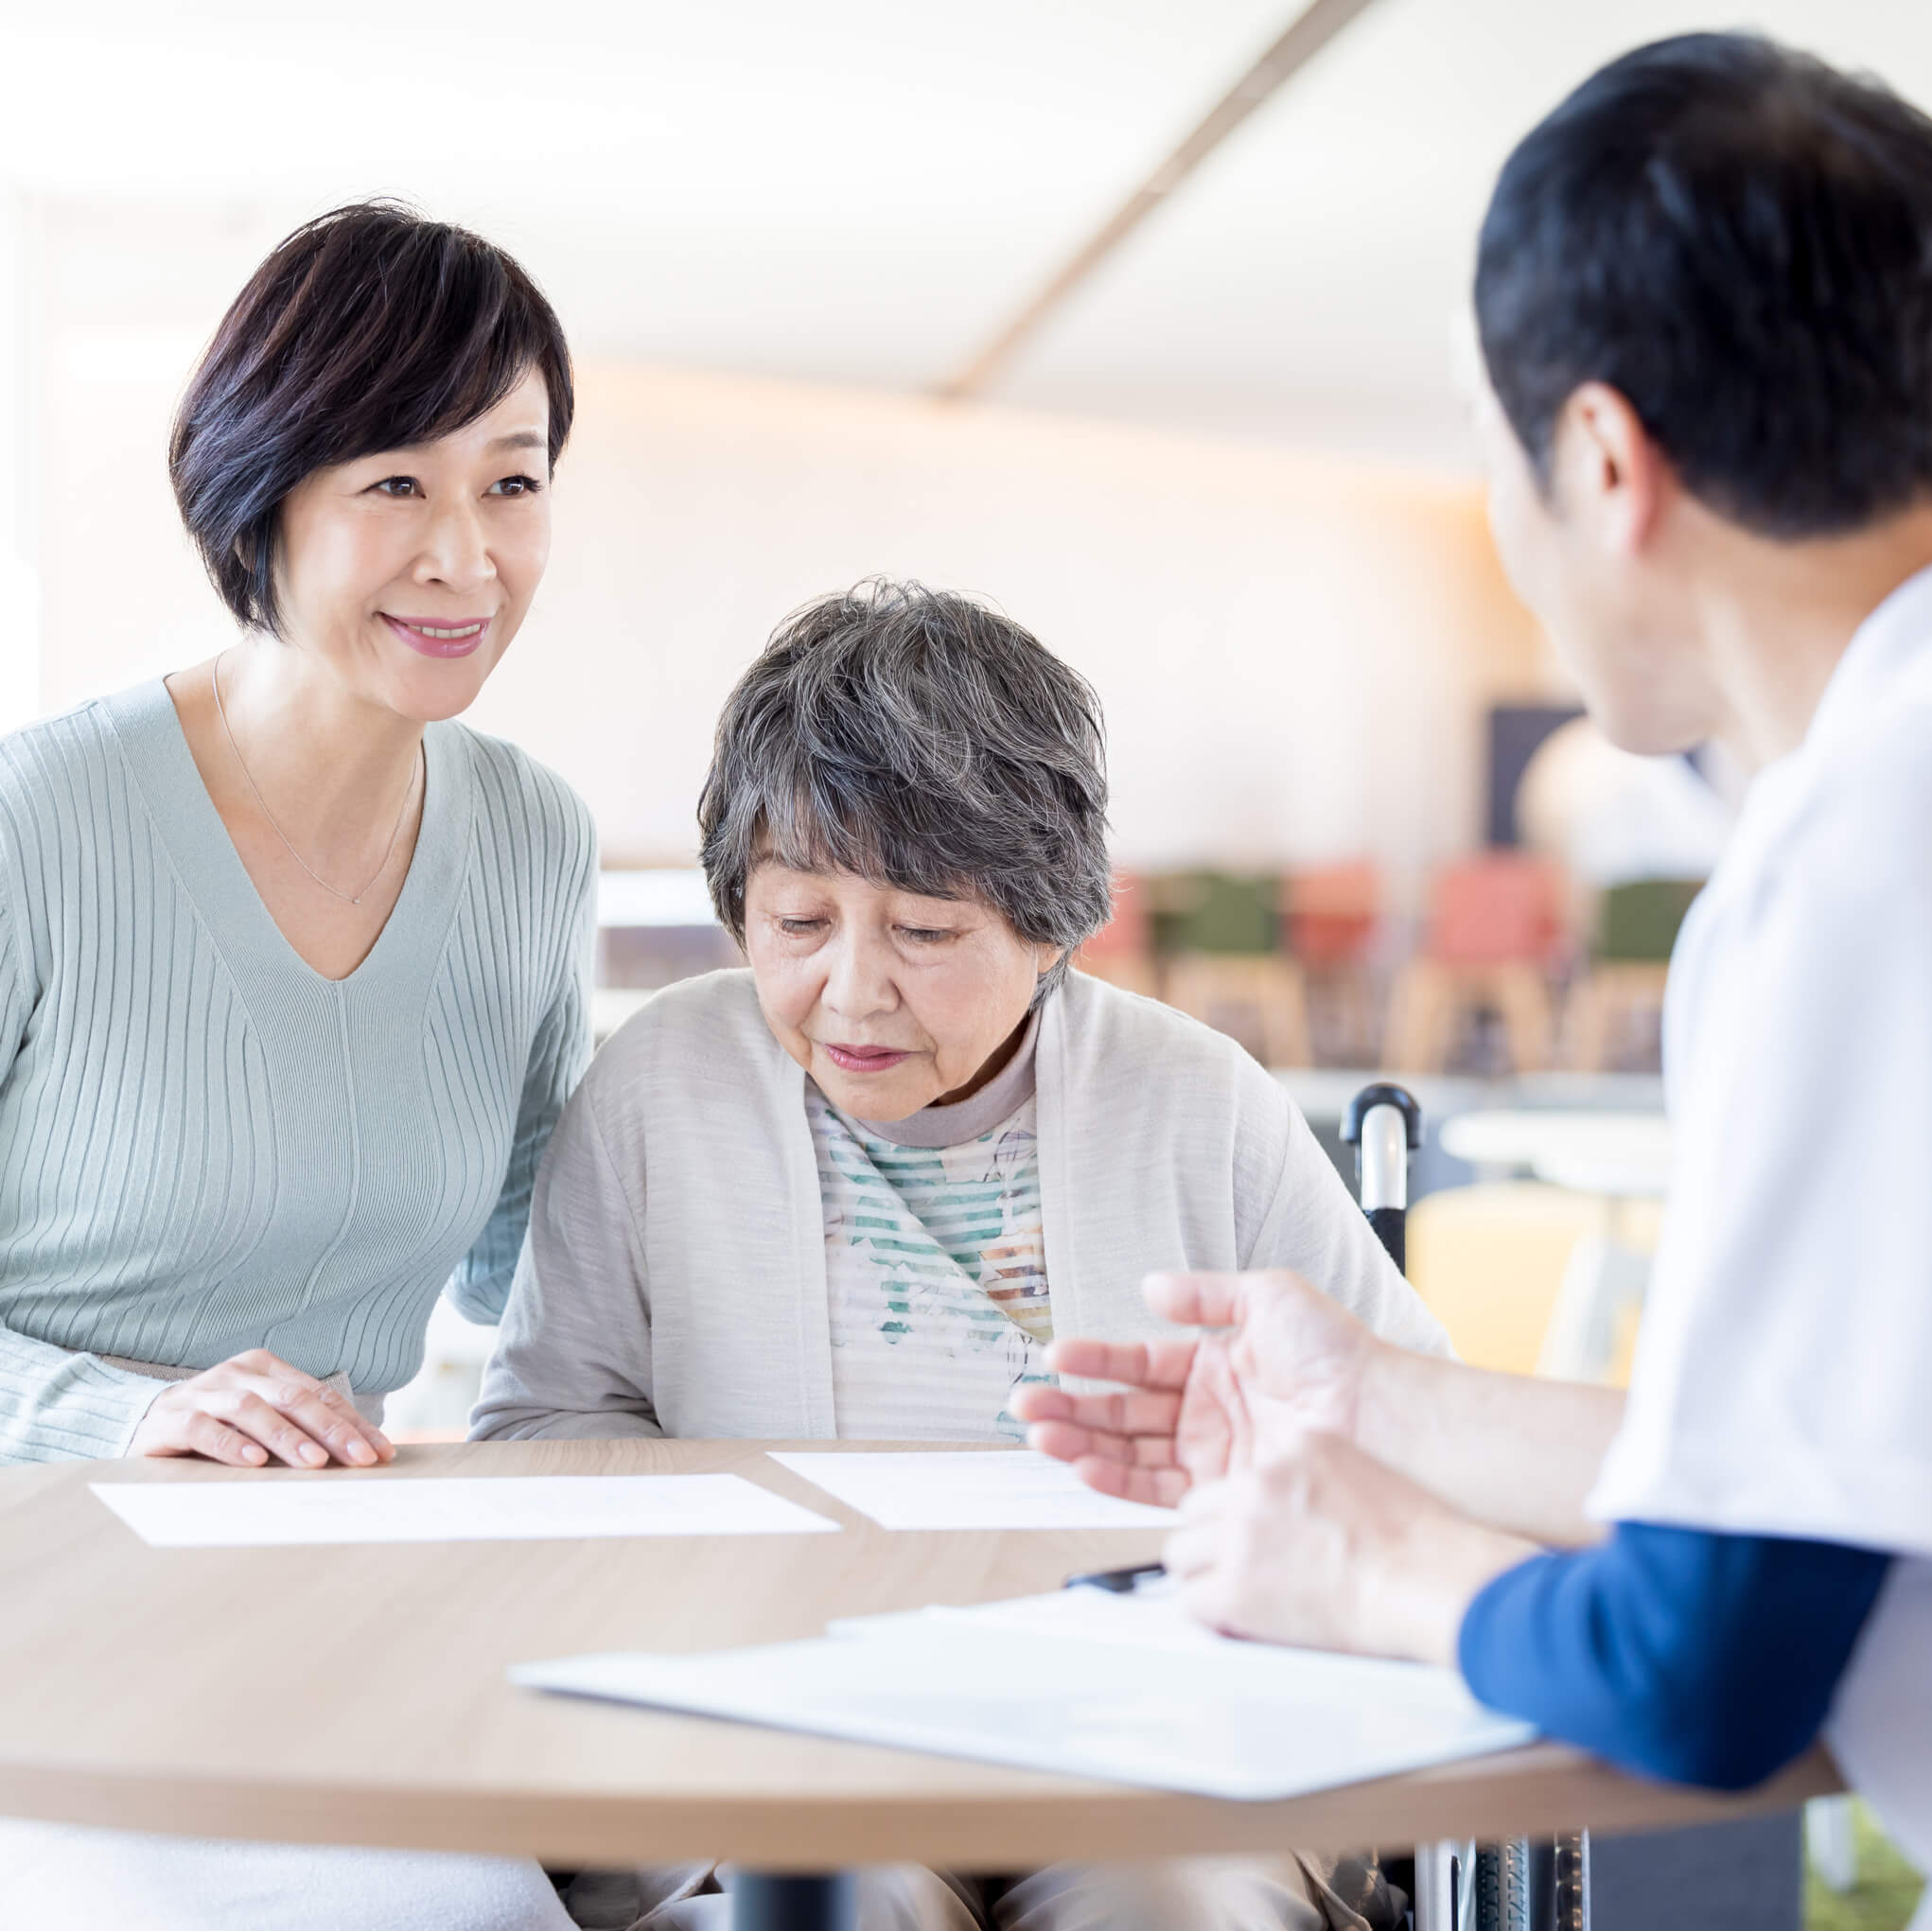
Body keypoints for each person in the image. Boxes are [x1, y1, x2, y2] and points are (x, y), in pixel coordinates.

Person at [1020, 31, 1932, 1916]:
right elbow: (1823, 1482)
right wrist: (1372, 1403)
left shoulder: (1859, 851)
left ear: (1602, 460)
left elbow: (1707, 1668)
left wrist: (1365, 1570)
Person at [474, 579, 1445, 1930]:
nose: (853, 990)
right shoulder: (659, 1086)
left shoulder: (1194, 1099)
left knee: (1169, 1910)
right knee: (821, 1901)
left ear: (1050, 925)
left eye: (925, 933)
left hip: (1147, 1738)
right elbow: (535, 1431)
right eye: (797, 921)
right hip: (775, 1725)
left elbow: (1408, 1419)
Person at [0, 202, 595, 1928]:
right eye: (393, 484)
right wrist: (129, 1416)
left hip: (331, 1596)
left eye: (512, 478)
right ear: (258, 497)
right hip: (46, 1579)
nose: (466, 555)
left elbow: (550, 1266)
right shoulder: (38, 822)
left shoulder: (531, 841)